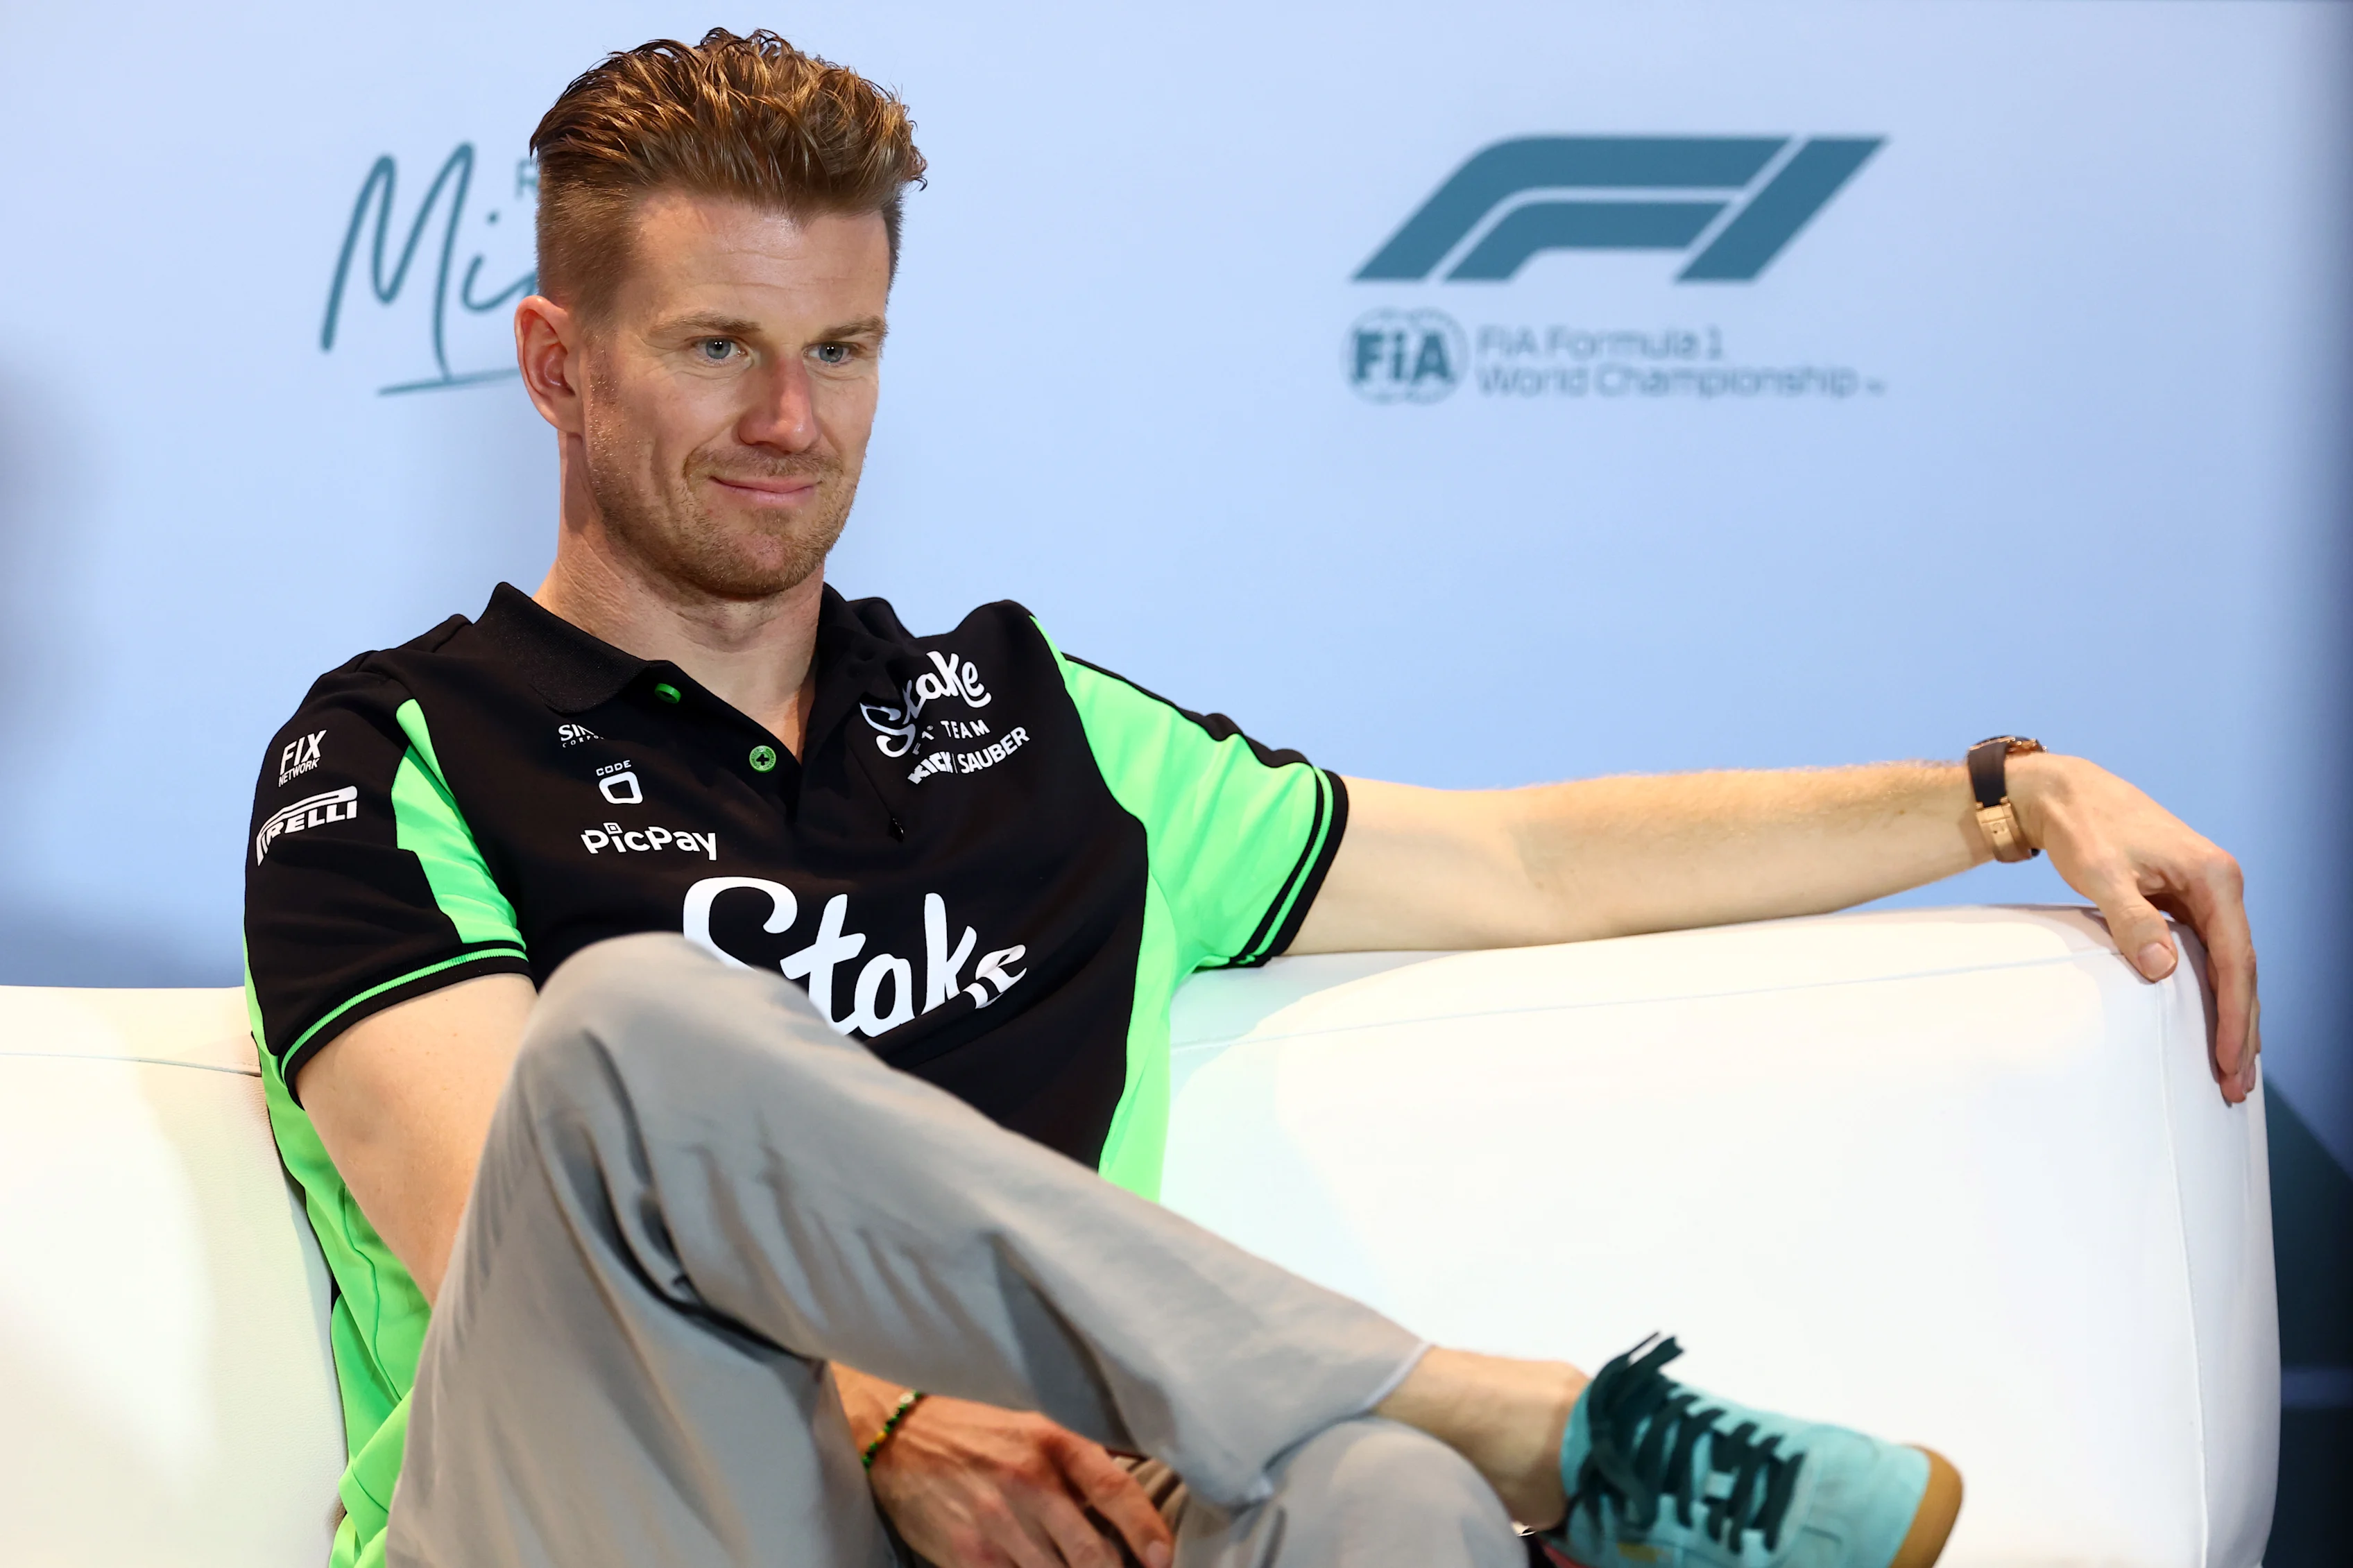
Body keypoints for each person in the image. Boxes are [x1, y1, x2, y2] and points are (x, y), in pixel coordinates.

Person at [241, 30, 2260, 1568]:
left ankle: (1442, 1442)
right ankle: (1532, 1421)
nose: (793, 420)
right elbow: (494, 1191)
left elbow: (1529, 863)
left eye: (843, 346)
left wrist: (1994, 795)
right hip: (626, 1508)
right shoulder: (390, 747)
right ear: (552, 361)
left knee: (1382, 1503)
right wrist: (879, 1420)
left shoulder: (1034, 726)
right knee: (644, 1031)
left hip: (1073, 1514)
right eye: (717, 346)